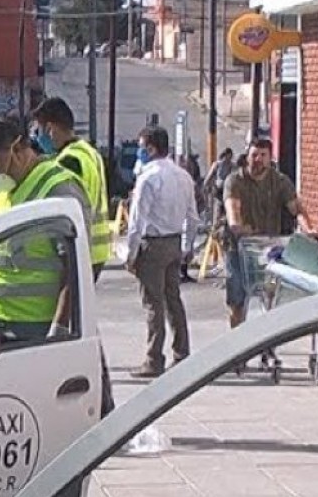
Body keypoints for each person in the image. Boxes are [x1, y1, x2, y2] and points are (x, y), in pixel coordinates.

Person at [0, 115, 88, 342]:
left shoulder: (56, 188)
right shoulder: (3, 192)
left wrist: (58, 328)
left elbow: (75, 269)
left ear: (18, 148)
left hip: (34, 329)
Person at [124, 125, 196, 377]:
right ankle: (182, 352)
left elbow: (136, 222)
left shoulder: (148, 178)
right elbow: (192, 216)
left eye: (141, 147)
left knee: (153, 303)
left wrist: (130, 255)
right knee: (173, 299)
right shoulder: (183, 176)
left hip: (152, 244)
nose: (139, 152)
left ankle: (154, 359)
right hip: (174, 242)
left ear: (151, 148)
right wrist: (187, 247)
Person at [223, 136, 315, 330]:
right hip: (239, 249)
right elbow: (233, 212)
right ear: (247, 156)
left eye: (263, 155)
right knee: (238, 301)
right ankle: (237, 347)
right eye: (254, 155)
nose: (258, 160)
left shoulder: (279, 181)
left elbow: (296, 209)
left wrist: (309, 229)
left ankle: (268, 345)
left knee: (271, 298)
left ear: (270, 157)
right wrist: (237, 226)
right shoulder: (235, 181)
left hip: (268, 249)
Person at [30, 97, 115, 276]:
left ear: (50, 129)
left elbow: (66, 210)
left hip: (80, 249)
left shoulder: (69, 161)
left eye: (38, 131)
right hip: (95, 250)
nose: (37, 138)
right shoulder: (88, 151)